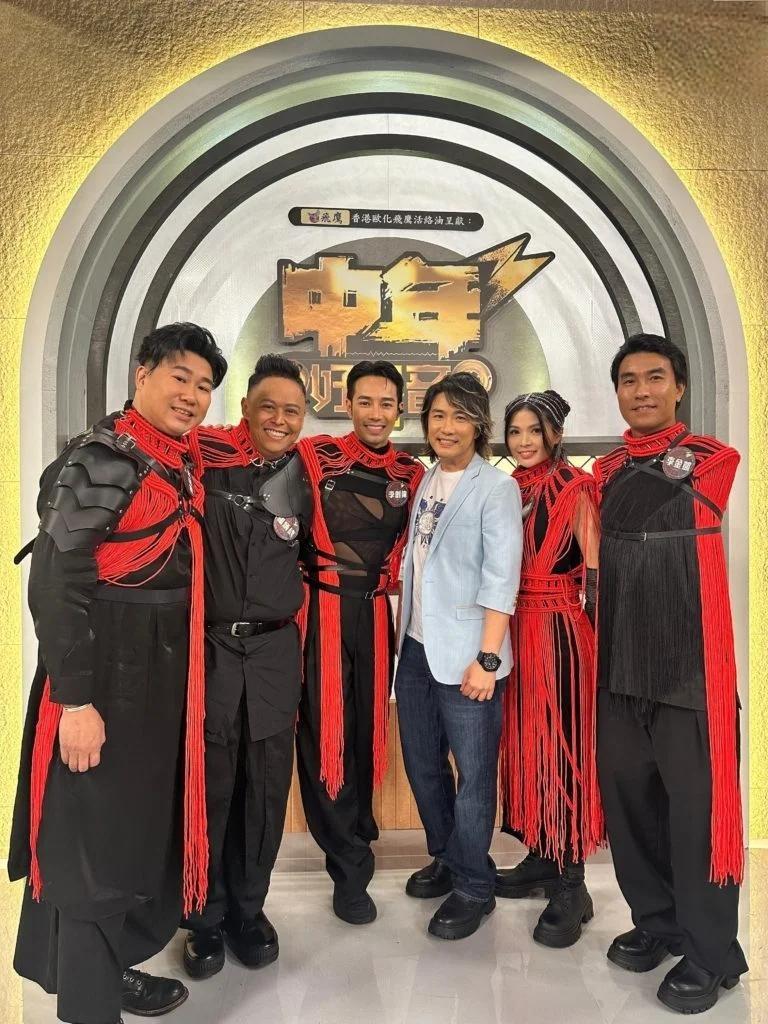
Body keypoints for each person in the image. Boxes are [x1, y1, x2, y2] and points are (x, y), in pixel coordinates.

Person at [8, 323, 227, 1024]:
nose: (191, 395)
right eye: (180, 377)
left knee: (131, 836)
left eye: (204, 386)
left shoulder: (178, 460)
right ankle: (90, 1006)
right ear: (142, 375)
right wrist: (76, 703)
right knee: (92, 846)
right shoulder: (101, 458)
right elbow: (55, 586)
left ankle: (108, 974)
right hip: (103, 681)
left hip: (156, 681)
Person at [594, 333, 747, 1014]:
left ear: (679, 387)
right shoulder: (603, 471)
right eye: (628, 380)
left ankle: (711, 953)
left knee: (697, 816)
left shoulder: (713, 460)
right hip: (620, 664)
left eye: (655, 377)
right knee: (630, 807)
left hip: (691, 669)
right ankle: (658, 922)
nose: (642, 391)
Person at [181, 354, 312, 979]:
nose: (280, 420)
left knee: (264, 789)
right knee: (211, 788)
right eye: (269, 408)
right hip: (210, 652)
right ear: (245, 410)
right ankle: (203, 918)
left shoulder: (308, 475)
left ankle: (248, 911)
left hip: (275, 655)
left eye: (292, 411)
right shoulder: (204, 460)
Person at [295, 360, 424, 925]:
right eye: (365, 401)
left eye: (386, 403)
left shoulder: (411, 475)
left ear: (400, 409)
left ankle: (358, 842)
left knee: (366, 735)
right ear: (346, 404)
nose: (376, 413)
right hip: (318, 611)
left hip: (374, 616)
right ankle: (347, 868)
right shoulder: (313, 457)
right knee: (324, 737)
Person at [395, 372, 522, 940]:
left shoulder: (496, 488)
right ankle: (448, 856)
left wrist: (487, 660)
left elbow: (502, 578)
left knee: (473, 776)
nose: (447, 427)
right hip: (417, 648)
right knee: (423, 766)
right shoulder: (425, 479)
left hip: (472, 655)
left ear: (479, 426)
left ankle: (475, 886)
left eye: (460, 416)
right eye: (438, 415)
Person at [495, 391, 603, 948]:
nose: (524, 441)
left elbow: (598, 571)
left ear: (555, 434)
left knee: (563, 748)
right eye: (515, 432)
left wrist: (602, 642)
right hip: (513, 629)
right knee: (525, 744)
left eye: (534, 430)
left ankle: (573, 884)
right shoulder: (505, 488)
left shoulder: (576, 488)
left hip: (559, 632)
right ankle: (541, 853)